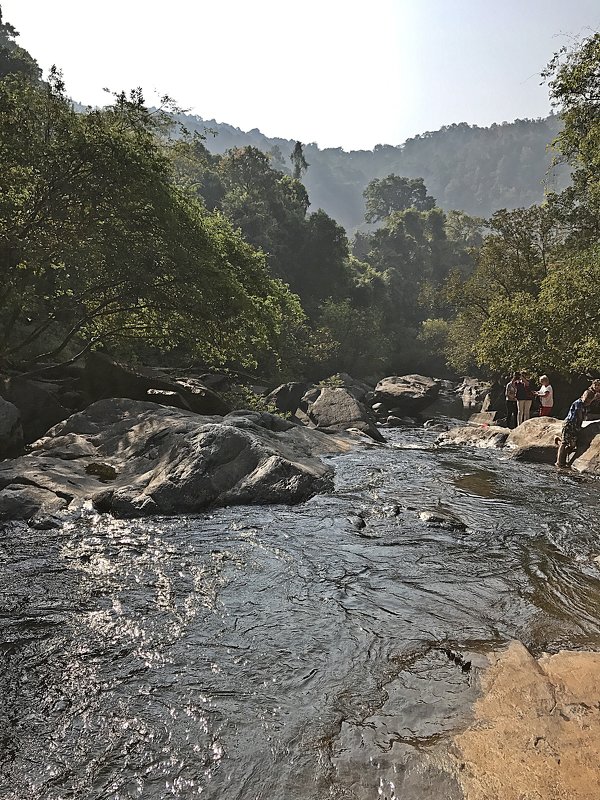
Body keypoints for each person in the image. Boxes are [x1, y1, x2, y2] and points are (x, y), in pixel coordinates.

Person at [555, 388, 596, 467]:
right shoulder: (578, 403)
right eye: (586, 400)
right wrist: (581, 422)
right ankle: (559, 462)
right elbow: (579, 414)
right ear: (582, 396)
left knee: (573, 445)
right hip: (570, 424)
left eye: (588, 402)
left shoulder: (586, 406)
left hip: (576, 426)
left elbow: (585, 416)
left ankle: (560, 444)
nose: (586, 403)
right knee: (564, 442)